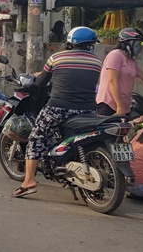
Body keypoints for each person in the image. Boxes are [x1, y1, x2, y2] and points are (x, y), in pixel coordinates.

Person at [13, 26, 103, 198]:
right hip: (88, 110)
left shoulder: (56, 58)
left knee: (36, 137)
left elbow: (40, 82)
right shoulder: (97, 61)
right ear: (90, 45)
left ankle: (29, 181)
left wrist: (31, 83)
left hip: (58, 108)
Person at [95, 28, 143, 118]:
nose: (141, 47)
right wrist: (120, 105)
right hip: (109, 104)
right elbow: (112, 81)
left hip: (124, 107)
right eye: (140, 43)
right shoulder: (115, 55)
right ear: (131, 42)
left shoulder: (130, 60)